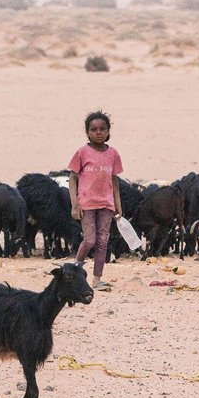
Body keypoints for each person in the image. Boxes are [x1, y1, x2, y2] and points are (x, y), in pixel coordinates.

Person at [67, 110, 123, 288]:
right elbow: (73, 178)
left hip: (106, 203)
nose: (98, 132)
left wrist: (117, 205)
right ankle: (75, 269)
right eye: (93, 129)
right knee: (90, 240)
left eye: (102, 129)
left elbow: (114, 181)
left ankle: (97, 279)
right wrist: (75, 204)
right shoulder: (82, 152)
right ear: (87, 132)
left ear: (108, 132)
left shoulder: (113, 154)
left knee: (102, 241)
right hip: (87, 203)